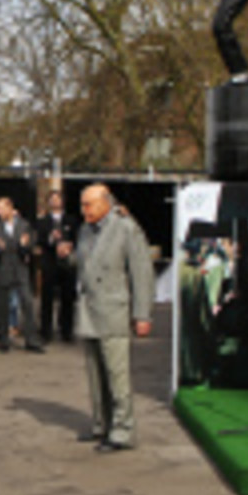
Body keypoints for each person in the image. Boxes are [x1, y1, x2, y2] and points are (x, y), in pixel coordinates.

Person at [68, 184, 154, 452]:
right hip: (89, 309)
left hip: (113, 309)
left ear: (106, 203)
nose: (84, 210)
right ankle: (101, 424)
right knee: (95, 373)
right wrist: (67, 256)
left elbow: (141, 271)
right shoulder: (84, 230)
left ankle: (123, 430)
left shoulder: (125, 227)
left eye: (89, 204)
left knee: (117, 375)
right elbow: (84, 263)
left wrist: (142, 314)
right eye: (82, 204)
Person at [0, 197, 44, 353]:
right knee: (2, 307)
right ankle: (3, 340)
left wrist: (24, 245)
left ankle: (32, 340)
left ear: (10, 207)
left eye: (1, 208)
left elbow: (30, 245)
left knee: (28, 304)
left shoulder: (24, 224)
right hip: (3, 269)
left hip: (20, 270)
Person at [36, 191, 78, 343]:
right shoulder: (43, 221)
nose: (55, 202)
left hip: (67, 264)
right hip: (50, 263)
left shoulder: (71, 220)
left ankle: (66, 331)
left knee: (67, 298)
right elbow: (39, 241)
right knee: (47, 299)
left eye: (58, 199)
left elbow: (78, 238)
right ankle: (45, 332)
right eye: (52, 199)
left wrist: (69, 246)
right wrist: (50, 238)